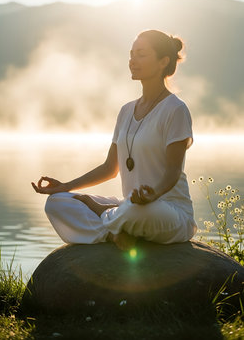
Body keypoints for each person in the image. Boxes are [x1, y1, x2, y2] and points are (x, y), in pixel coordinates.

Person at [32, 29, 197, 251]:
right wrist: (65, 186)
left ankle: (105, 215)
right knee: (57, 203)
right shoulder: (126, 111)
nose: (132, 61)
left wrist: (152, 195)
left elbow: (173, 172)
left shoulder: (175, 109)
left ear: (163, 62)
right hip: (129, 206)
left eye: (141, 54)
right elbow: (110, 168)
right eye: (131, 54)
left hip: (167, 211)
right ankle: (115, 233)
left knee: (133, 211)